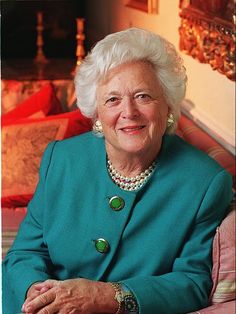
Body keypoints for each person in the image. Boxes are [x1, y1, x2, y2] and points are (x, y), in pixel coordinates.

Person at [2, 27, 232, 314]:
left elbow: (192, 282)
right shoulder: (61, 159)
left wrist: (107, 297)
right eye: (113, 99)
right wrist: (36, 293)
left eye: (143, 96)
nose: (129, 112)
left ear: (168, 107)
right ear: (97, 114)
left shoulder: (204, 183)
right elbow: (25, 252)